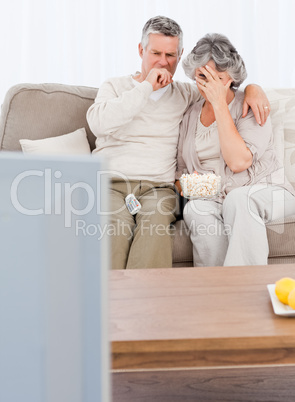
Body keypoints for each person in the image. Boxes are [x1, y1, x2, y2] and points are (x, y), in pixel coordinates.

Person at [87, 16, 271, 270]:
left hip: (158, 188)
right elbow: (99, 124)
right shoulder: (115, 87)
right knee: (114, 227)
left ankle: (146, 304)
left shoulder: (186, 94)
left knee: (154, 225)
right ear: (141, 50)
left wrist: (253, 88)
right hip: (110, 184)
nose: (163, 61)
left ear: (181, 54)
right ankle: (106, 304)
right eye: (155, 53)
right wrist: (146, 86)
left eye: (170, 55)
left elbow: (223, 91)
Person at [176, 33, 295, 267]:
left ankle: (247, 289)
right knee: (196, 209)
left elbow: (239, 162)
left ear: (231, 77)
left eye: (218, 78)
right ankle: (220, 292)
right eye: (202, 77)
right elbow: (180, 174)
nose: (209, 86)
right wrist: (190, 185)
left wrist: (220, 104)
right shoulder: (190, 115)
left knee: (240, 200)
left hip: (267, 190)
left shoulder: (250, 105)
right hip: (216, 196)